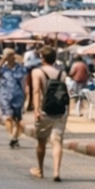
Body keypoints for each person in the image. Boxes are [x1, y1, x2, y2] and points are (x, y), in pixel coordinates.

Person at [26, 45, 69, 181]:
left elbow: (36, 91)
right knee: (57, 141)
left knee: (41, 142)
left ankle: (40, 169)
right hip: (60, 110)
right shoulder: (62, 73)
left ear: (42, 58)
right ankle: (56, 171)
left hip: (44, 111)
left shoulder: (37, 72)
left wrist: (36, 109)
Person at [0, 48, 27, 148]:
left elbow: (25, 82)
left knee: (17, 119)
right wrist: (2, 61)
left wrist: (26, 98)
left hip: (17, 95)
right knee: (8, 117)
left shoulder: (20, 68)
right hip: (5, 95)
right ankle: (11, 137)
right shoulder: (3, 68)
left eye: (8, 56)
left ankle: (15, 137)